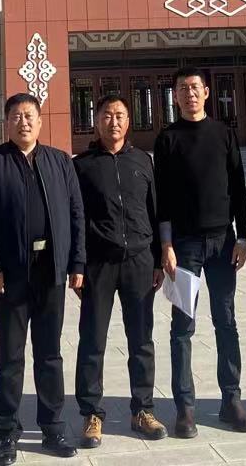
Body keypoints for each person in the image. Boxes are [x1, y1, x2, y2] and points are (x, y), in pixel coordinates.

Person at [0, 93, 86, 465]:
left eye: (29, 115)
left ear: (40, 120)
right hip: (11, 275)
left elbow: (76, 213)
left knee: (50, 354)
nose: (24, 122)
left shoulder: (59, 161)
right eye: (16, 116)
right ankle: (7, 433)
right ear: (7, 122)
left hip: (51, 270)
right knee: (10, 357)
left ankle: (53, 427)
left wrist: (77, 262)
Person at [152, 66, 246, 438]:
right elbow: (161, 197)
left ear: (206, 92)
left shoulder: (224, 133)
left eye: (195, 87)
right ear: (175, 95)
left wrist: (243, 238)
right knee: (182, 327)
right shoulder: (167, 139)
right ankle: (185, 408)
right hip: (184, 246)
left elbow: (238, 188)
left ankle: (232, 399)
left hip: (224, 243)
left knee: (226, 321)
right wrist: (165, 245)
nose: (190, 93)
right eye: (183, 88)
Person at [72, 94, 167, 448]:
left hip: (139, 262)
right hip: (98, 264)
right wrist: (77, 265)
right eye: (107, 115)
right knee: (92, 340)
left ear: (129, 120)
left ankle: (143, 409)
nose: (114, 121)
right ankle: (91, 414)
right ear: (96, 120)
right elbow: (75, 220)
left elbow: (154, 212)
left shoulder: (143, 160)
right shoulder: (82, 166)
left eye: (120, 115)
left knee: (141, 339)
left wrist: (157, 259)